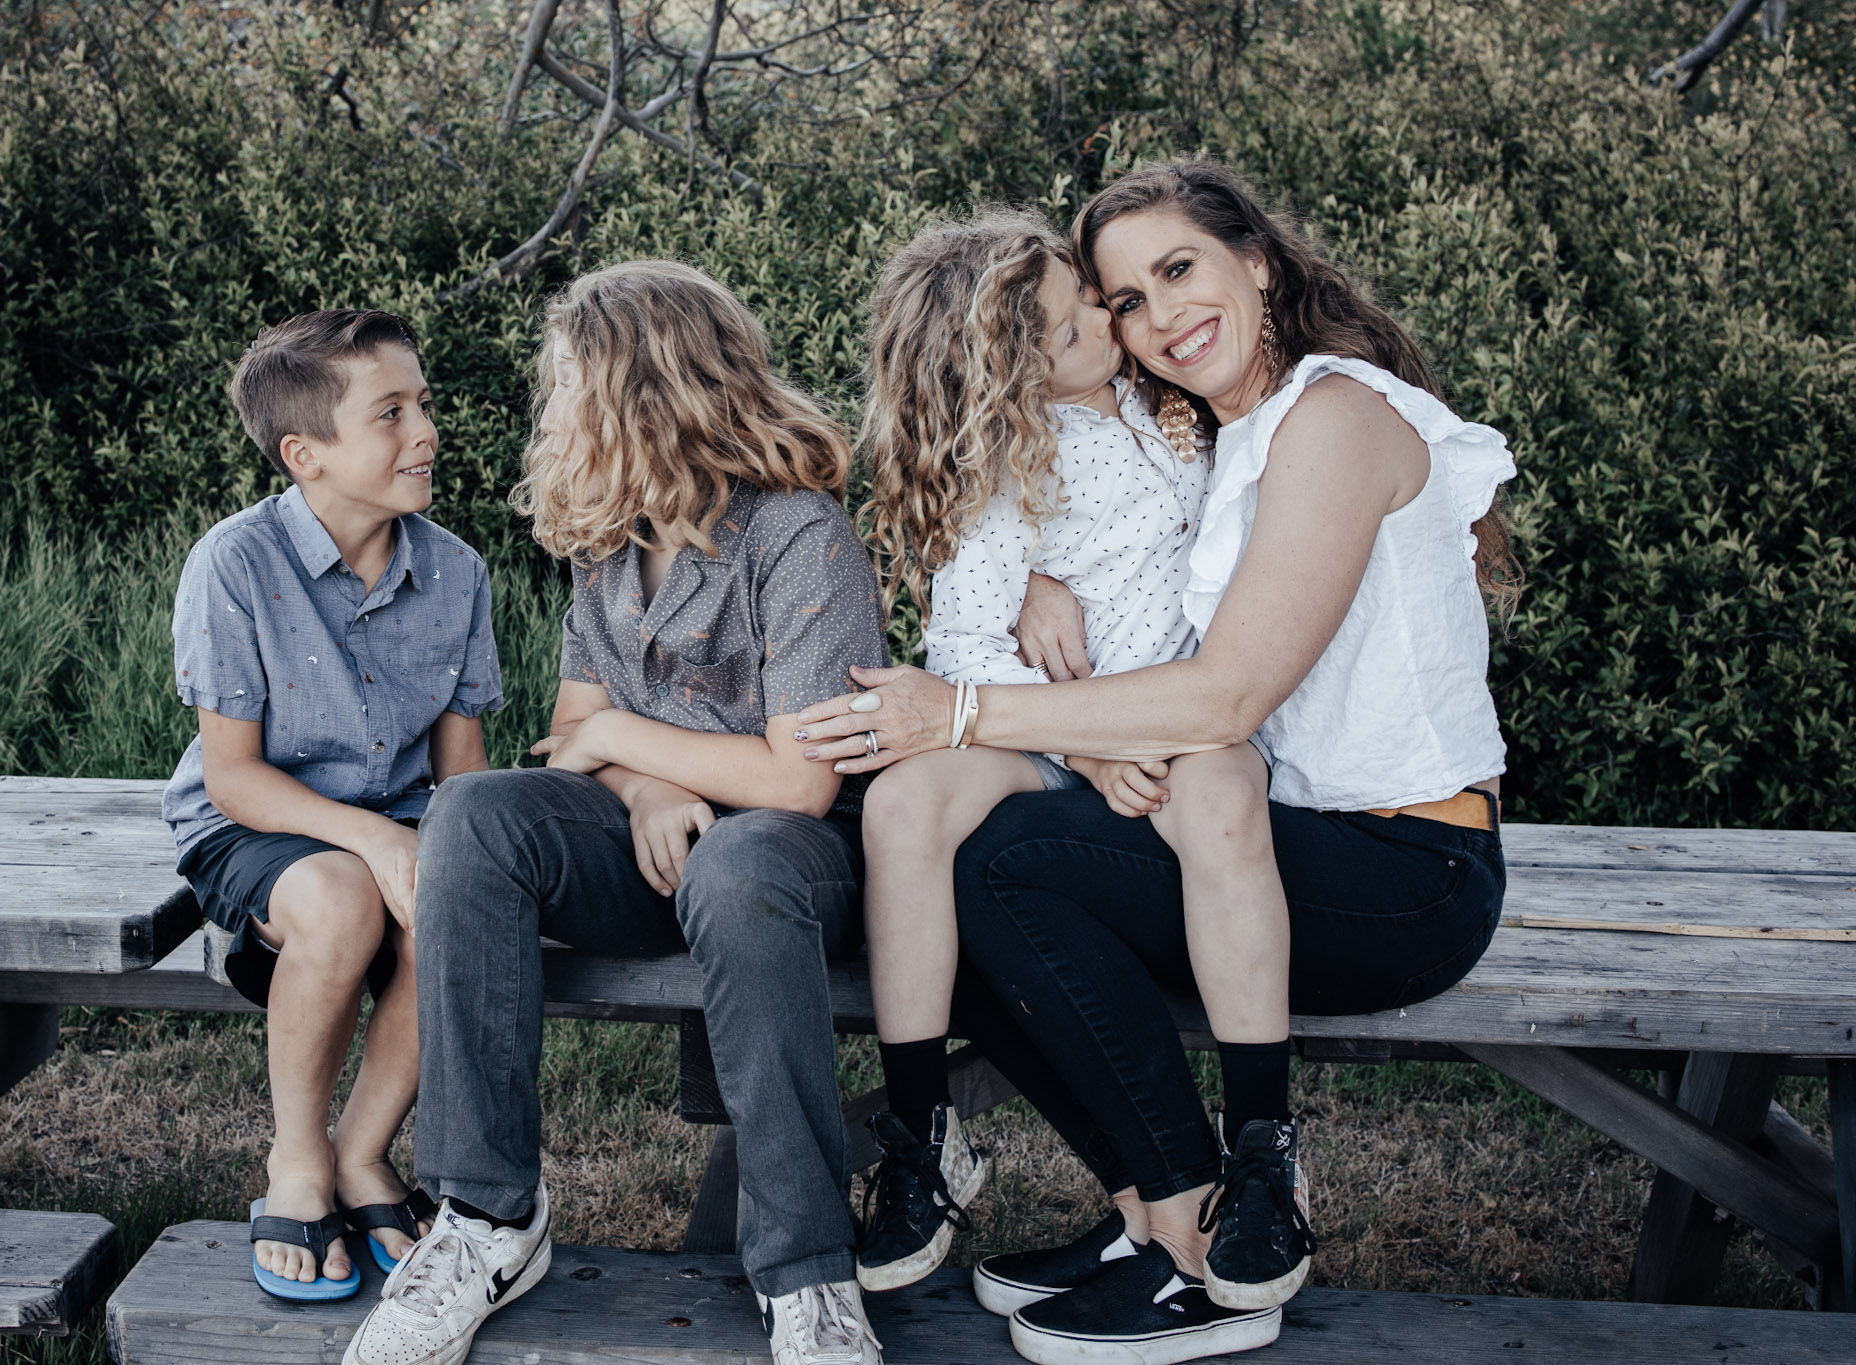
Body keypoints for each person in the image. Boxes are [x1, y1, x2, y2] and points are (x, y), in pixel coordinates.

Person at [794, 158, 1518, 1365]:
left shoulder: (1330, 419)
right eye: (1120, 297)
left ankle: (1212, 1220)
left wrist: (963, 710)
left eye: (1175, 270)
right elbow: (1126, 541)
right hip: (1273, 823)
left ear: (1257, 261)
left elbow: (1226, 690)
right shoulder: (1218, 431)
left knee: (1005, 873)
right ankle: (1145, 1213)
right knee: (948, 870)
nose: (1147, 316)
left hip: (1401, 860)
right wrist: (1033, 573)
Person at [342, 261, 891, 1365]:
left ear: (640, 392)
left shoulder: (798, 533)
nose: (551, 413)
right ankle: (488, 1216)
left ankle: (807, 1276)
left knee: (740, 866)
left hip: (797, 869)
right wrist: (646, 784)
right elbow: (570, 732)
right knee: (476, 814)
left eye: (564, 388)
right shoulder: (611, 543)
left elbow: (799, 781)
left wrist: (625, 748)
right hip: (659, 849)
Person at [848, 208, 1293, 1299]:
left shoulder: (1174, 400)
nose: (1105, 314)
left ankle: (1261, 1150)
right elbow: (957, 654)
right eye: (1071, 322)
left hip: (1188, 727)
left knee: (1227, 797)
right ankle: (920, 1131)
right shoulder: (1011, 470)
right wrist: (1087, 748)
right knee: (902, 808)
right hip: (1051, 730)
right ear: (1013, 374)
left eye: (1093, 299)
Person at [161, 309, 500, 1300]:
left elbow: (464, 770)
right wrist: (375, 846)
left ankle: (363, 1152)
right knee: (345, 897)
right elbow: (233, 776)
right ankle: (299, 1162)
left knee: (467, 898)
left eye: (424, 405)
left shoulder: (455, 573)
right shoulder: (233, 563)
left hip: (395, 823)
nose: (426, 432)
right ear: (305, 454)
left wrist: (453, 858)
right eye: (389, 414)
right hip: (257, 823)